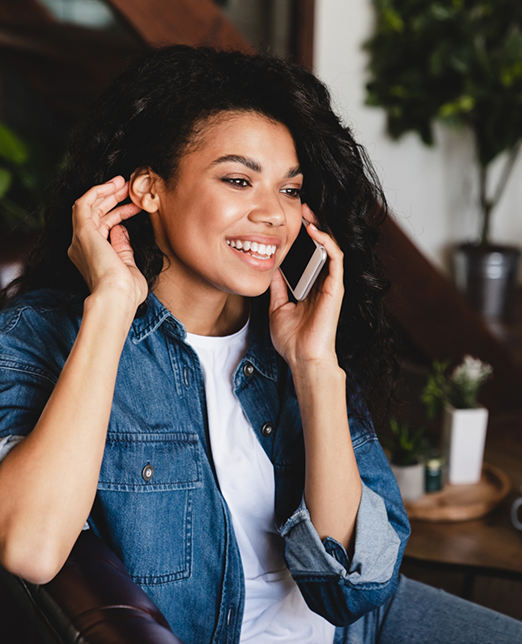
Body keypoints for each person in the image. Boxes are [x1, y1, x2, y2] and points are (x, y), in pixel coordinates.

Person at [0, 46, 520, 644]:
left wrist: (314, 366)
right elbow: (31, 550)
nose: (274, 214)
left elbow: (355, 588)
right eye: (239, 180)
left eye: (291, 190)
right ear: (148, 188)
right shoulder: (43, 334)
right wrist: (113, 304)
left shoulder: (293, 333)